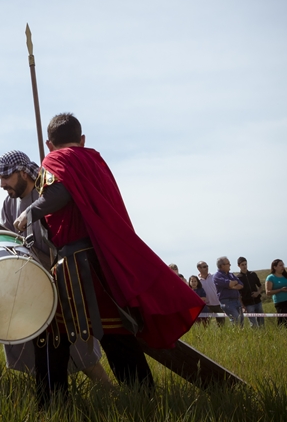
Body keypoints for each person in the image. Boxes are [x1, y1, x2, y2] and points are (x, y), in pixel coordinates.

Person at [13, 113, 203, 405]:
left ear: (49, 144)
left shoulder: (56, 159)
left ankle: (51, 402)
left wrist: (30, 213)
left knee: (50, 328)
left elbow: (60, 193)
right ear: (83, 139)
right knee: (115, 330)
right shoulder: (96, 160)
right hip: (103, 258)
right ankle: (144, 397)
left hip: (77, 263)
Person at [0, 150, 109, 384]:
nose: (2, 184)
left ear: (23, 173)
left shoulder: (48, 194)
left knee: (79, 347)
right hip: (30, 286)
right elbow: (10, 239)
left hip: (60, 281)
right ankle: (48, 396)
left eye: (6, 177)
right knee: (30, 346)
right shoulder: (9, 203)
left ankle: (110, 392)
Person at [213, 256, 244, 326]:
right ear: (222, 266)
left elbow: (241, 285)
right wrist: (232, 284)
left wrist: (231, 286)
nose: (230, 265)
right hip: (227, 302)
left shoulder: (231, 275)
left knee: (241, 320)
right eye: (228, 263)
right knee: (236, 319)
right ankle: (235, 335)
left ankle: (240, 335)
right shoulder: (217, 276)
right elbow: (229, 284)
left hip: (236, 300)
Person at [236, 257, 264, 328]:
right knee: (253, 324)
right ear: (239, 265)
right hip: (248, 304)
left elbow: (260, 286)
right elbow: (238, 294)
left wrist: (257, 293)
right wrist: (243, 306)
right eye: (242, 265)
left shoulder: (253, 274)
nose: (244, 266)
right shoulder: (238, 278)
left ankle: (264, 335)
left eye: (245, 264)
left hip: (258, 301)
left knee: (261, 322)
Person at [197, 261, 225, 326]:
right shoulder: (197, 281)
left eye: (207, 266)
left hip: (218, 304)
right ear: (199, 268)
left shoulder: (214, 277)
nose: (206, 268)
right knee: (206, 325)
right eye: (204, 267)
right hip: (206, 306)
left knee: (222, 325)